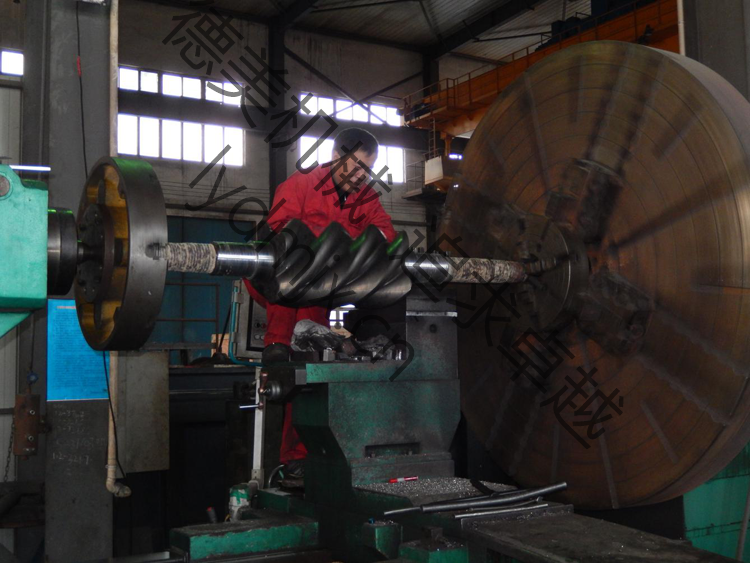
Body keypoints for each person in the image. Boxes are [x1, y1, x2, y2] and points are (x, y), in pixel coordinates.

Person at [243, 127, 397, 475]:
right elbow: (279, 232)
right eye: (356, 167)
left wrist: (358, 251)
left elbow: (385, 233)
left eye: (367, 170)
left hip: (316, 293)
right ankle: (276, 345)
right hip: (276, 282)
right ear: (336, 157)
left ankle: (298, 457)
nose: (361, 176)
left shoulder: (366, 198)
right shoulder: (300, 184)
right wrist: (323, 249)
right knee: (289, 271)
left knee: (310, 372)